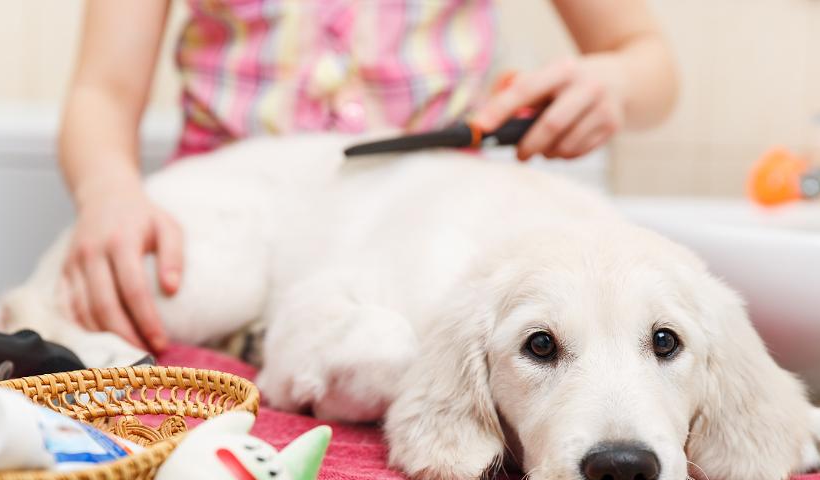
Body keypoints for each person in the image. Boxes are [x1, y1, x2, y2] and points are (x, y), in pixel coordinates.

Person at [58, 0, 678, 352]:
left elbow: (648, 61)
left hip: (423, 247)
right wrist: (108, 192)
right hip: (222, 232)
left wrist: (615, 84)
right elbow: (102, 94)